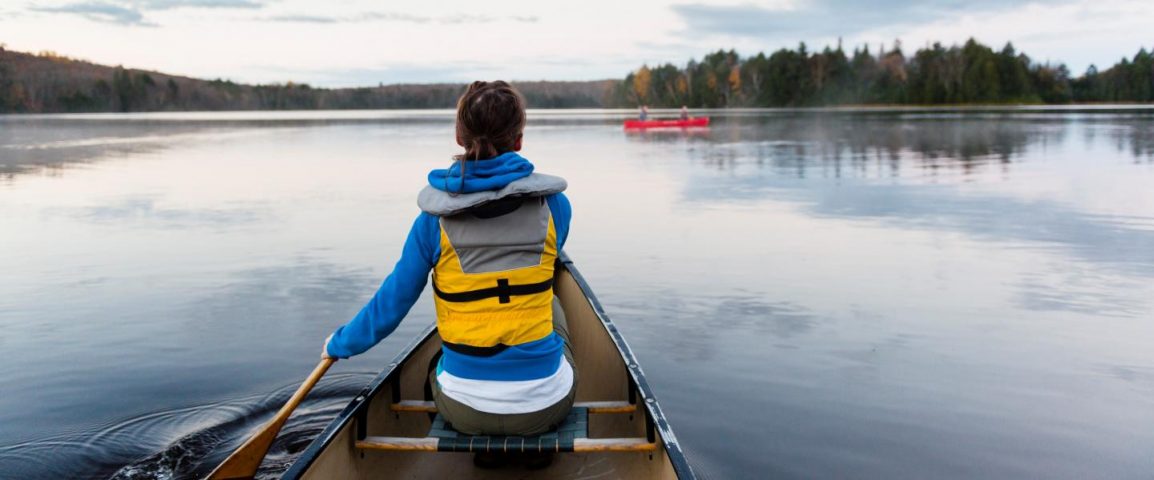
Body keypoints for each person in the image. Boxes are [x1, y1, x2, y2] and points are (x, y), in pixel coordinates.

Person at [322, 80, 575, 468]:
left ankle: (479, 443)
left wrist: (340, 344)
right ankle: (535, 447)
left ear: (459, 136)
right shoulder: (556, 208)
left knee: (432, 366)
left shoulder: (431, 224)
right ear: (520, 140)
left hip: (463, 410)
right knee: (554, 305)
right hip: (545, 406)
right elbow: (548, 257)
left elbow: (391, 305)